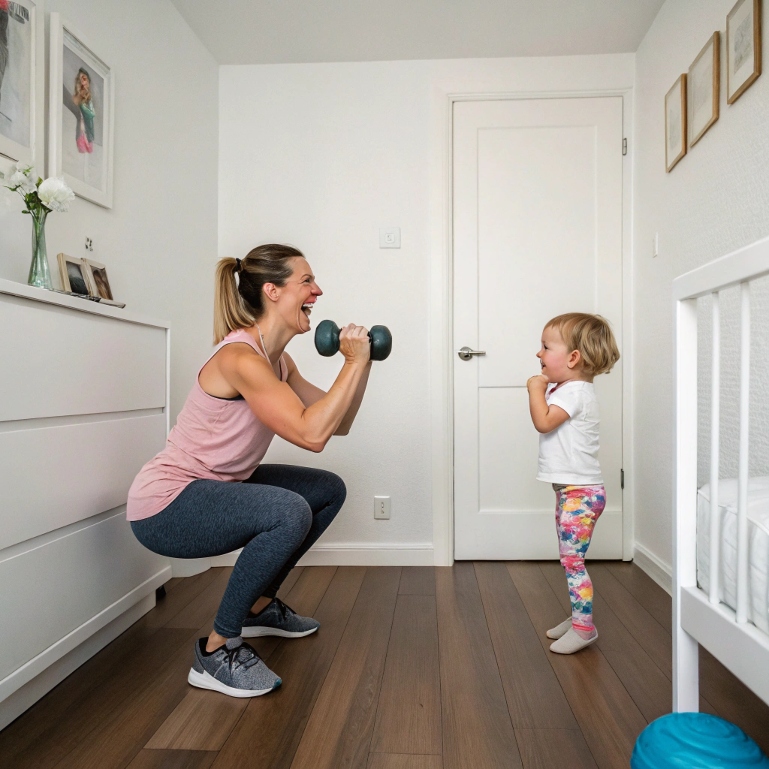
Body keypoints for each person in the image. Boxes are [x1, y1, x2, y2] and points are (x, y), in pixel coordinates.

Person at [127, 244, 373, 697]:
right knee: (289, 510)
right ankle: (216, 650)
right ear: (272, 291)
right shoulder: (240, 359)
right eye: (306, 281)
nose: (317, 291)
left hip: (217, 487)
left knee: (326, 490)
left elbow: (337, 424)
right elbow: (312, 435)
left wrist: (361, 366)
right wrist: (353, 362)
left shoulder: (279, 361)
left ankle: (257, 608)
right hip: (166, 505)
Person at [526, 313, 620, 655]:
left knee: (572, 562)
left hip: (580, 495)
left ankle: (584, 628)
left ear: (573, 358)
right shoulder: (568, 389)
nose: (538, 353)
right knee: (570, 559)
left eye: (546, 347)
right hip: (572, 492)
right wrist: (546, 385)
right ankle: (579, 615)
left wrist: (535, 389)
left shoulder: (575, 392)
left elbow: (543, 422)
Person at [71, 67, 95, 154]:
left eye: (84, 78)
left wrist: (83, 105)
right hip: (80, 134)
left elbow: (91, 114)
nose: (82, 81)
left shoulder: (89, 99)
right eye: (80, 79)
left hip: (88, 135)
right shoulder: (75, 97)